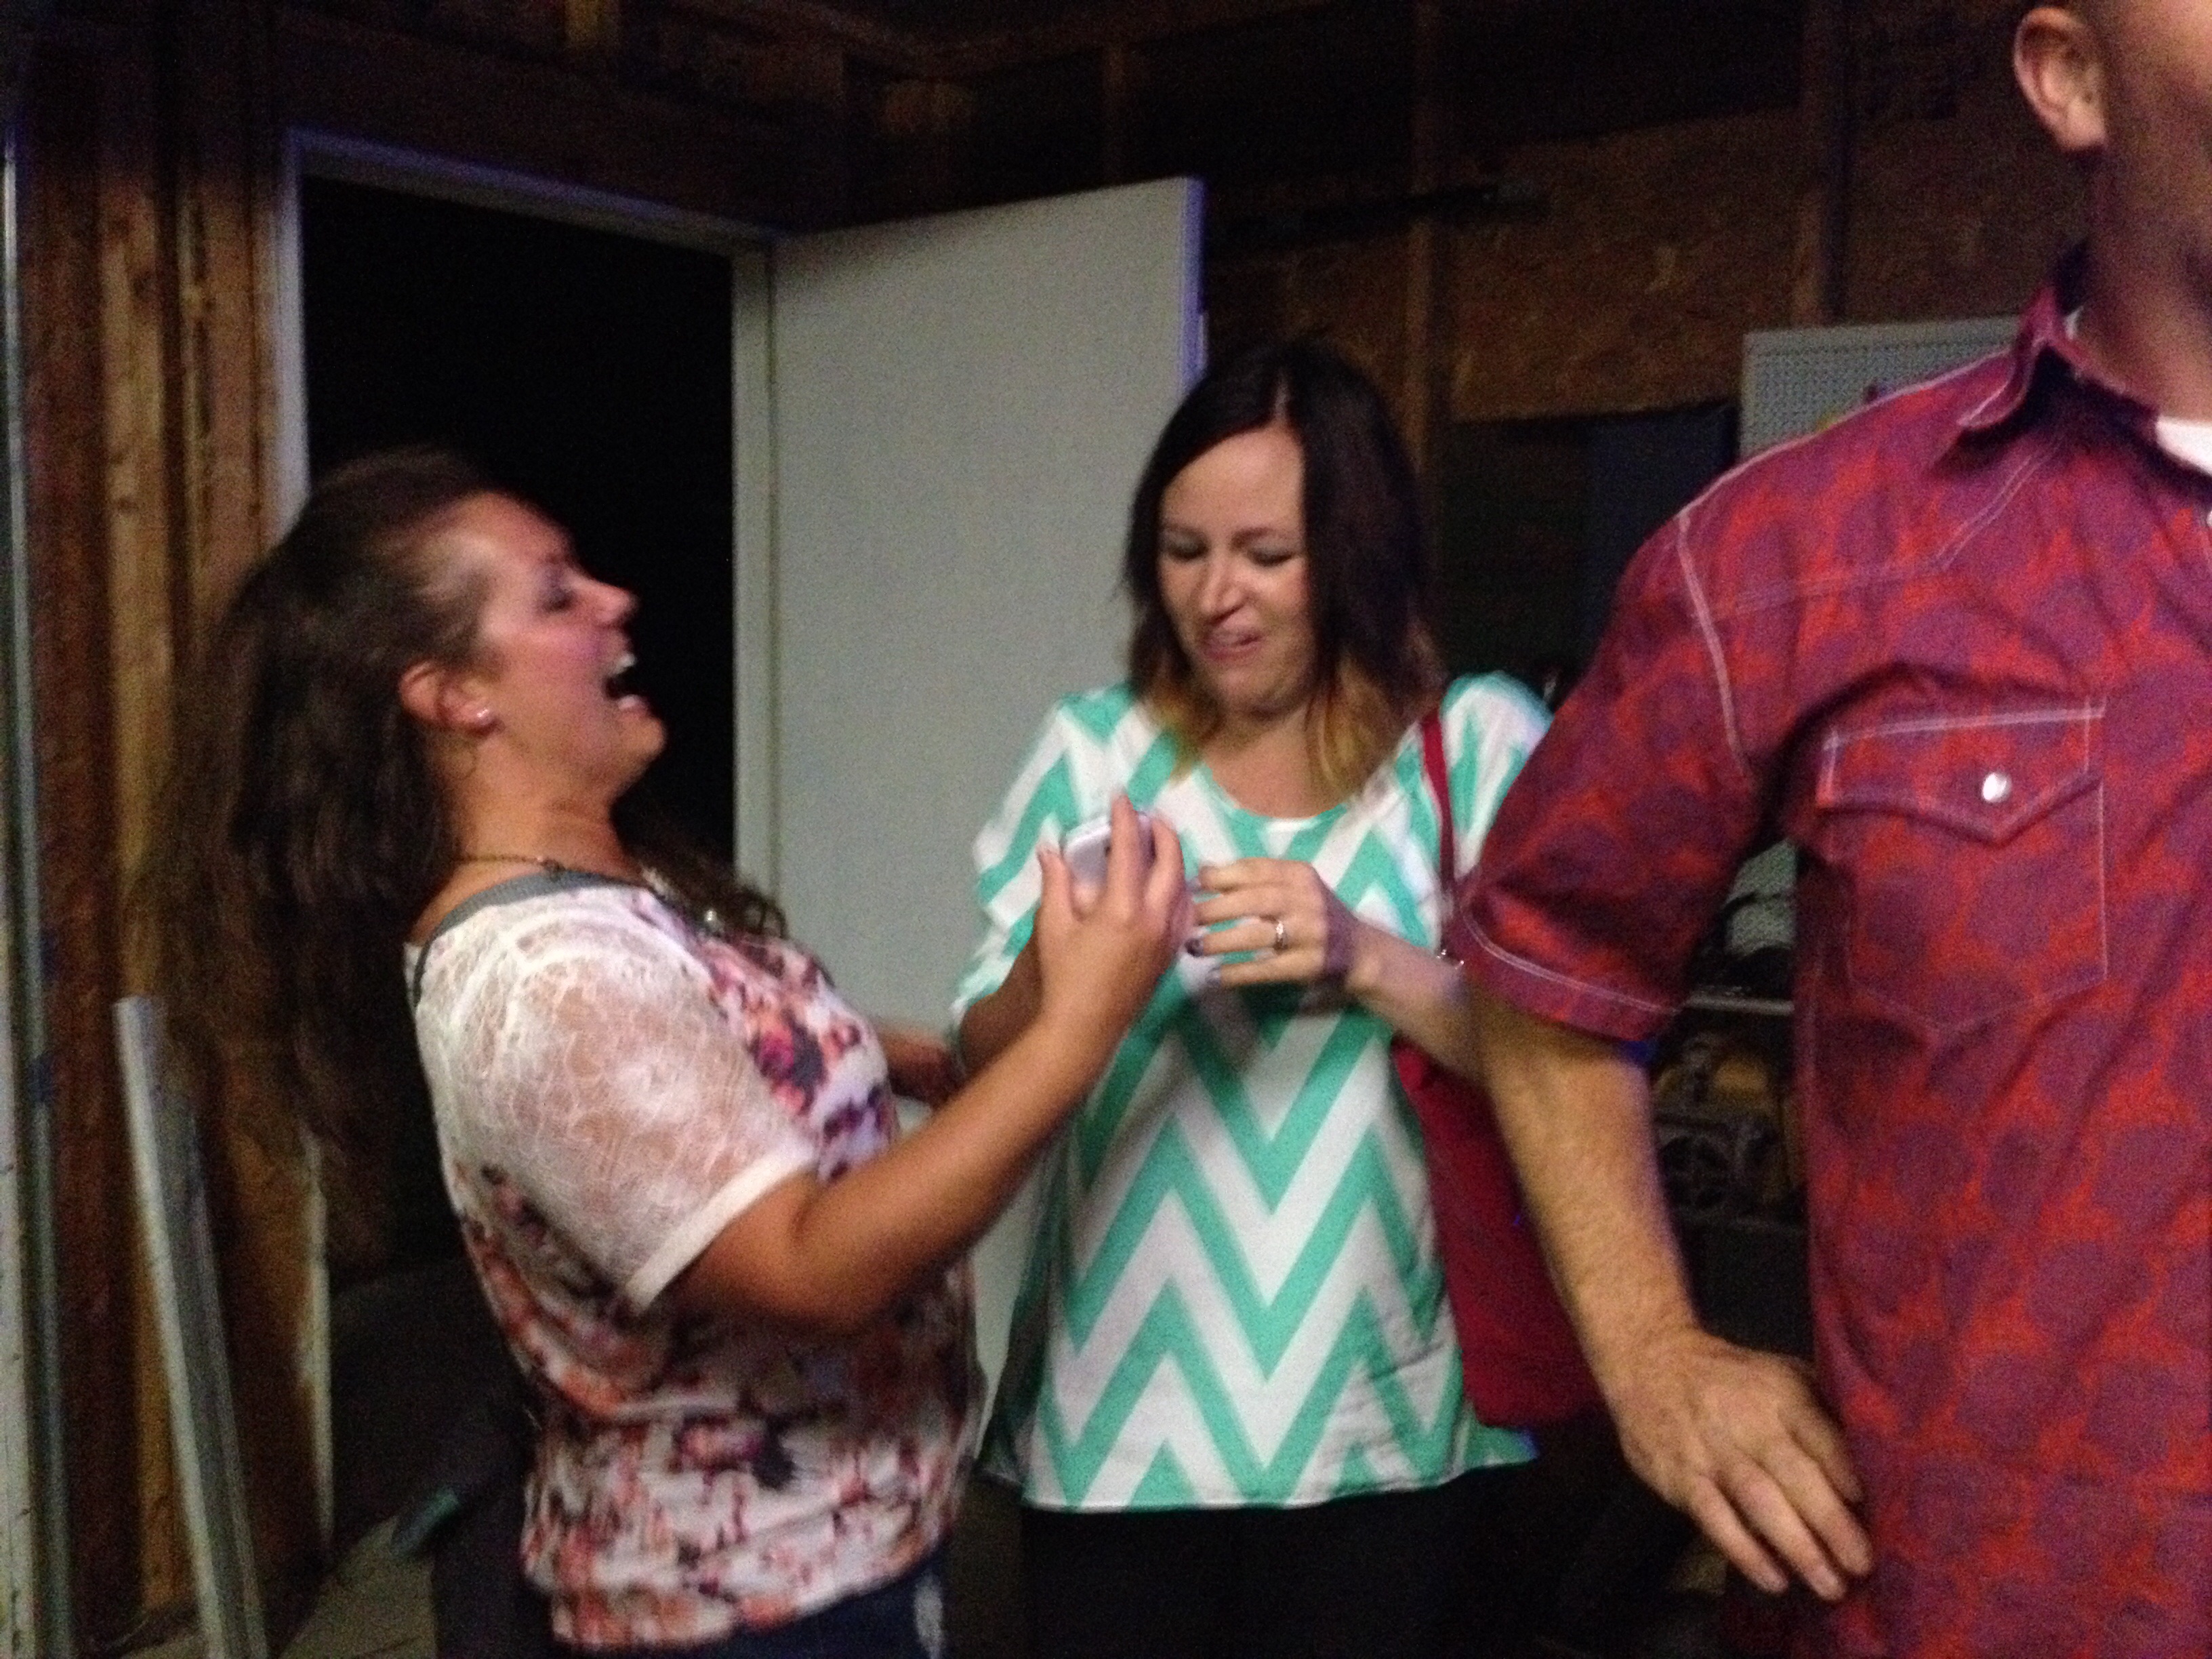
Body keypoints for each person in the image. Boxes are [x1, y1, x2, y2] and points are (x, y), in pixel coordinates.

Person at [148, 449, 1193, 1656]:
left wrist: (944, 1028)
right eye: (557, 595)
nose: (614, 601)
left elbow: (712, 1067)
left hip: (845, 1550)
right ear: (455, 695)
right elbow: (807, 1270)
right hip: (745, 1609)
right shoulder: (546, 982)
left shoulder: (605, 893)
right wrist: (1079, 1033)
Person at [1453, 5, 2211, 1655]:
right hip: (1962, 1610)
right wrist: (1655, 1357)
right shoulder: (1811, 556)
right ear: (2075, 76)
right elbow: (1547, 965)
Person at [953, 341, 1551, 1658]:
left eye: (1265, 554)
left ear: (1356, 554)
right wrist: (1065, 972)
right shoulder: (1093, 754)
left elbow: (1571, 1066)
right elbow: (977, 1055)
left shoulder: (1477, 748)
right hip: (1116, 1429)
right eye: (1183, 551)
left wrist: (1366, 955)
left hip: (1388, 1427)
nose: (1215, 595)